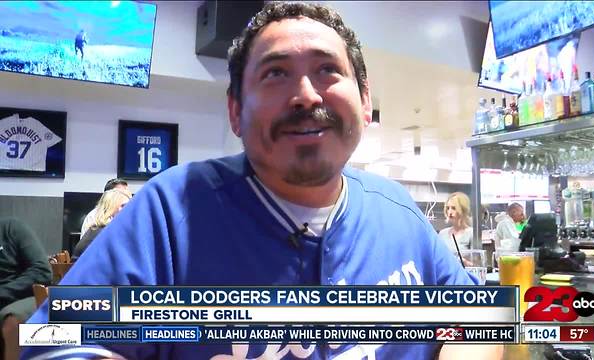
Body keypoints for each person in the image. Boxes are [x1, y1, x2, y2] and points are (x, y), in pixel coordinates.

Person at [24, 2, 502, 359]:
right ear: (236, 110)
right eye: (276, 74)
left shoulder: (398, 212)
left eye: (327, 70)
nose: (305, 94)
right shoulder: (170, 213)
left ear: (363, 98)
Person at [0, 218, 52, 360]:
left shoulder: (12, 228)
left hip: (22, 295)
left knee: (11, 318)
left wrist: (4, 292)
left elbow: (42, 271)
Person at [73, 188, 132, 261]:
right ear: (110, 207)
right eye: (123, 206)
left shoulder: (96, 230)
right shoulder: (106, 234)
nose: (129, 209)